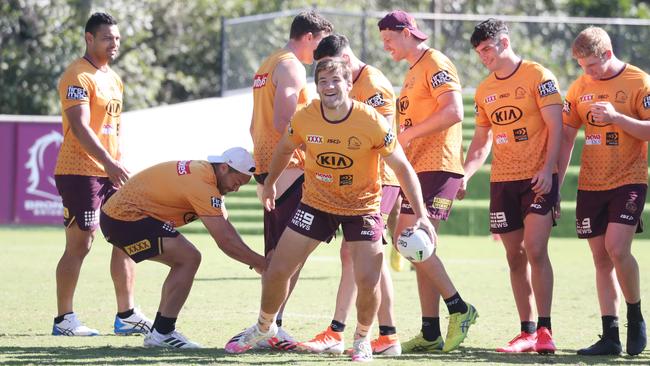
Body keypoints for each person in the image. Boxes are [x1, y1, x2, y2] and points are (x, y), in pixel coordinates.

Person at [224, 59, 434, 362]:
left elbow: (402, 168)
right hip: (316, 204)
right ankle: (264, 327)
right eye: (322, 81)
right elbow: (284, 148)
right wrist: (269, 184)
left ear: (349, 84)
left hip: (361, 208)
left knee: (367, 280)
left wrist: (422, 214)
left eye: (335, 80)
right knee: (277, 269)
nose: (329, 86)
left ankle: (362, 337)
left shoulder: (372, 121)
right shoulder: (305, 117)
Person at [378, 10, 477, 353]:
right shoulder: (413, 70)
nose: (386, 46)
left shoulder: (435, 61)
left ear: (407, 33)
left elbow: (454, 111)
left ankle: (459, 308)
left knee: (409, 239)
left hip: (437, 165)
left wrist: (407, 137)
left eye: (389, 39)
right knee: (419, 246)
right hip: (419, 167)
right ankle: (430, 330)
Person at [461, 18, 562, 354]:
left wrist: (550, 170)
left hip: (538, 178)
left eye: (487, 48)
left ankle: (546, 330)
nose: (484, 56)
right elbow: (480, 140)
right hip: (502, 181)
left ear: (504, 42)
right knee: (514, 258)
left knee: (535, 249)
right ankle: (527, 331)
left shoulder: (539, 76)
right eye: (479, 52)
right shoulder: (484, 90)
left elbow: (556, 126)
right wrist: (465, 173)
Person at [298, 33, 402, 356]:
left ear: (344, 60)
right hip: (360, 180)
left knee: (361, 255)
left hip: (378, 180)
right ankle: (370, 333)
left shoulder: (373, 84)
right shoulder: (350, 82)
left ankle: (372, 334)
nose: (328, 80)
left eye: (331, 70)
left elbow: (383, 140)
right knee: (357, 256)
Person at [100, 147, 266, 348]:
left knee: (186, 258)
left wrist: (257, 262)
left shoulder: (206, 175)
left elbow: (226, 227)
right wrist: (261, 264)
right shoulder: (202, 183)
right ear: (224, 168)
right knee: (188, 258)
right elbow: (225, 241)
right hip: (124, 217)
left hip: (120, 215)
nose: (236, 189)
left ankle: (160, 331)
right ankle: (162, 332)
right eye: (237, 182)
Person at [52, 12, 151, 336]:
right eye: (108, 38)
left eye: (118, 38)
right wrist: (108, 161)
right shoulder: (77, 76)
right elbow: (80, 127)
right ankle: (64, 320)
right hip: (80, 172)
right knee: (80, 245)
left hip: (110, 172)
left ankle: (126, 314)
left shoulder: (114, 79)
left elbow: (112, 129)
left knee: (126, 236)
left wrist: (117, 164)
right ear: (89, 38)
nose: (114, 44)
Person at [559, 26, 648, 356]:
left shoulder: (639, 81)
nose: (588, 73)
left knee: (616, 247)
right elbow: (567, 136)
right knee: (600, 258)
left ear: (607, 54)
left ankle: (635, 317)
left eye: (592, 66)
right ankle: (609, 335)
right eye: (582, 67)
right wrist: (556, 183)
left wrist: (616, 117)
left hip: (629, 178)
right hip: (591, 182)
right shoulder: (580, 86)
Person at [247, 10, 333, 348]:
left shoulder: (268, 63)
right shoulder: (292, 66)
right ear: (309, 37)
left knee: (280, 253)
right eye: (322, 43)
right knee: (288, 255)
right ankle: (271, 326)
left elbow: (257, 121)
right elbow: (285, 120)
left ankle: (270, 324)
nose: (323, 53)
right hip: (290, 169)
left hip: (271, 167)